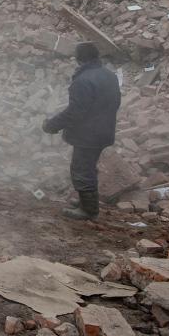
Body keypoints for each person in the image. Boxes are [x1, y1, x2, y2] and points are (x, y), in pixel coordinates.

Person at [42, 42, 121, 221]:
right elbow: (115, 102)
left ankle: (88, 210)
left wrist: (52, 125)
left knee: (82, 170)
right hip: (104, 130)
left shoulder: (83, 80)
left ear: (80, 59)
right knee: (87, 167)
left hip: (88, 134)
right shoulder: (109, 75)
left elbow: (75, 112)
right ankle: (85, 202)